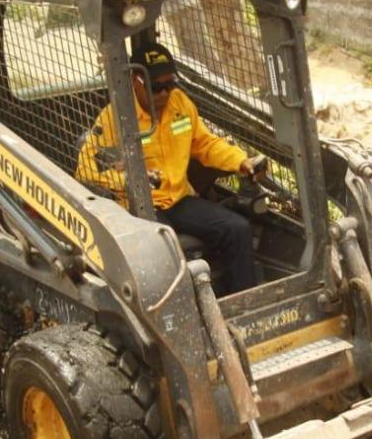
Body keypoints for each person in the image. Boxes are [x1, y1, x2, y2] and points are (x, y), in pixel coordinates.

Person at [78, 42, 260, 294]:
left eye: (169, 84)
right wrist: (132, 180)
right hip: (139, 205)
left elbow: (205, 144)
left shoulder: (180, 105)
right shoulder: (114, 118)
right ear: (135, 80)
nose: (164, 93)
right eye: (156, 87)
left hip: (178, 199)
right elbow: (87, 169)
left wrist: (241, 161)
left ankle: (244, 302)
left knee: (237, 229)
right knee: (164, 249)